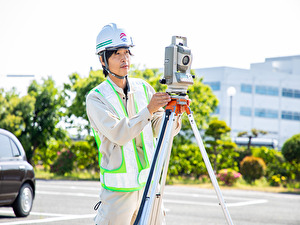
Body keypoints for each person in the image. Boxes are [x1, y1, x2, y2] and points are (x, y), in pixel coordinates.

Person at [86, 23, 181, 225]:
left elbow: (160, 130)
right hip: (118, 194)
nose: (124, 58)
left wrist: (175, 114)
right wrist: (149, 109)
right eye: (116, 53)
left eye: (127, 52)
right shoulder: (96, 98)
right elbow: (119, 134)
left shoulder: (143, 87)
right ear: (102, 60)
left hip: (149, 187)